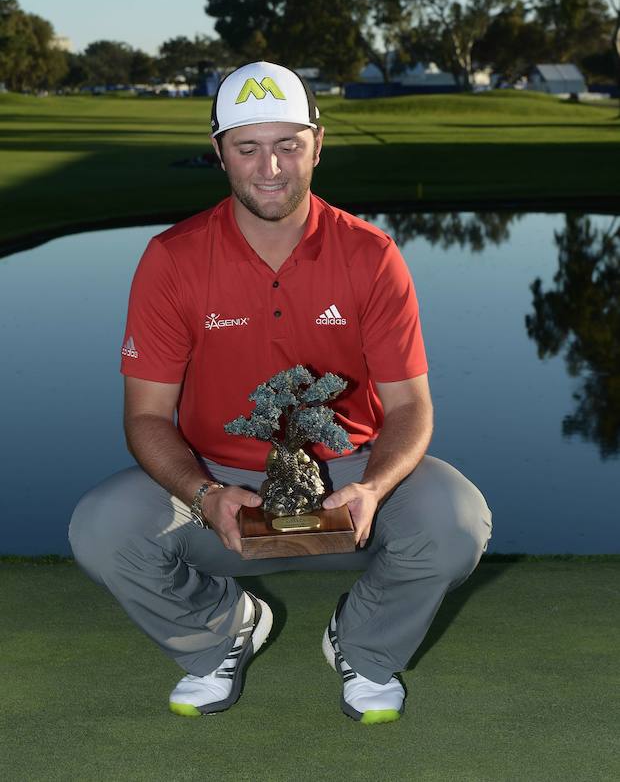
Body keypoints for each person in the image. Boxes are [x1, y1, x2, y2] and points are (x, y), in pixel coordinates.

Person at [69, 61, 492, 725]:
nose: (270, 167)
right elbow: (146, 417)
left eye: (288, 145)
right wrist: (204, 494)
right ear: (219, 154)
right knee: (102, 527)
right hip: (213, 480)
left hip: (351, 480)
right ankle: (222, 630)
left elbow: (410, 407)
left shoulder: (372, 254)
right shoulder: (172, 259)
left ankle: (362, 647)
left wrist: (375, 489)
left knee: (457, 520)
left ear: (317, 145)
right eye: (248, 147)